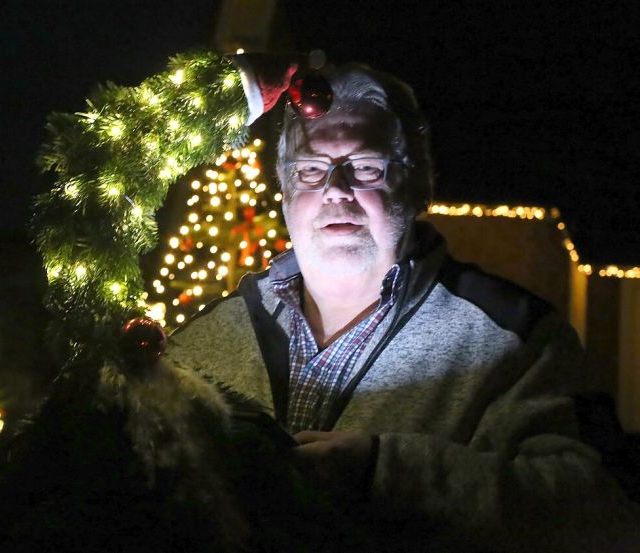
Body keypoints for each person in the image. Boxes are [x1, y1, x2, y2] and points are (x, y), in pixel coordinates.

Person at [163, 54, 640, 552]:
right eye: (309, 171)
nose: (335, 191)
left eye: (365, 167)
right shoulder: (202, 342)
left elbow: (602, 515)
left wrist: (386, 472)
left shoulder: (515, 337)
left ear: (416, 186)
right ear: (283, 190)